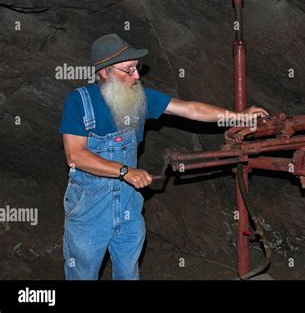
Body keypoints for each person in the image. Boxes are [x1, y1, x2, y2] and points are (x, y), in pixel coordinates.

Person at [59, 33, 269, 280]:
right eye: (128, 71)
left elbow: (190, 109)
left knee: (128, 273)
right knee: (83, 274)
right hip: (90, 208)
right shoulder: (79, 101)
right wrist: (124, 171)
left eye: (136, 69)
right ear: (105, 72)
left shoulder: (139, 99)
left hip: (128, 204)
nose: (136, 76)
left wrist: (240, 117)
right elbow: (75, 156)